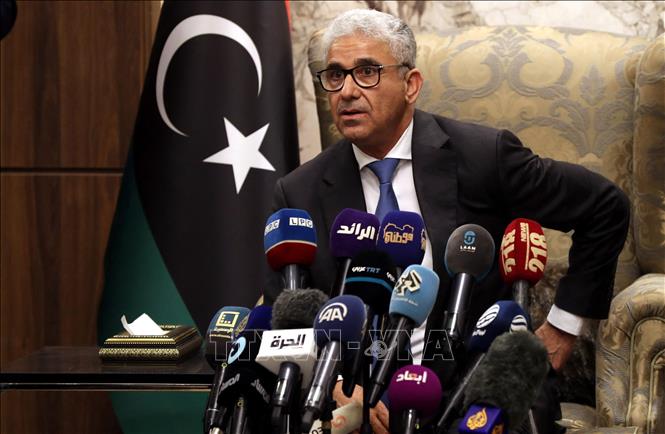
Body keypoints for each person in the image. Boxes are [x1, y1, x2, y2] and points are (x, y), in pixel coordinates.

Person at [266, 8, 629, 434]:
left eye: (366, 72)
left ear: (411, 84)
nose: (346, 91)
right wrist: (335, 387)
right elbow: (285, 319)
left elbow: (605, 207)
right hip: (356, 399)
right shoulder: (299, 192)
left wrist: (562, 329)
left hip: (473, 383)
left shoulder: (482, 156)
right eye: (335, 75)